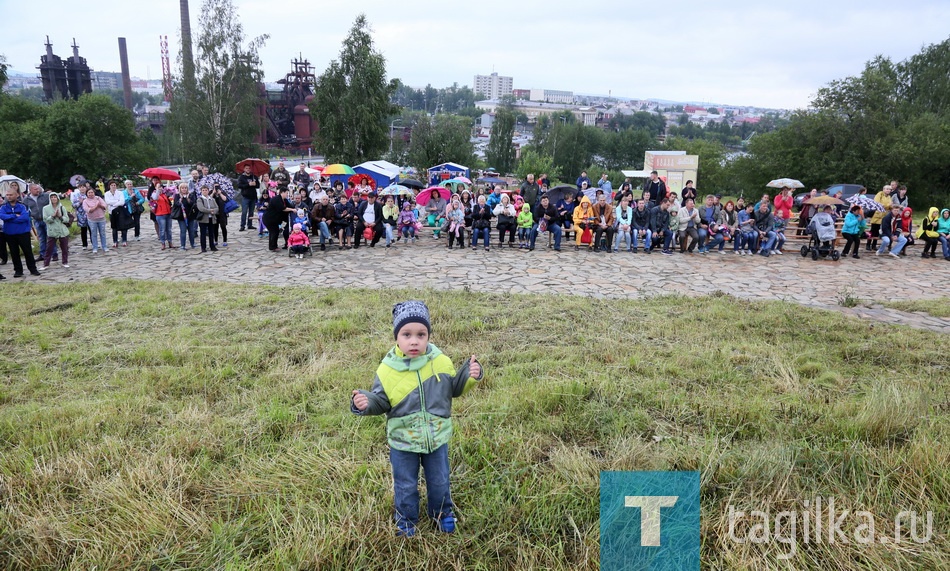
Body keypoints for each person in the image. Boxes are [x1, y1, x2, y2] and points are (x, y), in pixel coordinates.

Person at [350, 300, 482, 538]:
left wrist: (470, 375)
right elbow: (380, 401)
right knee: (405, 485)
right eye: (406, 334)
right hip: (403, 441)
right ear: (396, 338)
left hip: (436, 437)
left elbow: (454, 388)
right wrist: (365, 402)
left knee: (440, 481)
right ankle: (406, 520)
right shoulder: (387, 370)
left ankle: (442, 513)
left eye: (421, 334)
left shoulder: (440, 361)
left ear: (428, 335)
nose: (414, 341)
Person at [0, 184, 40, 277]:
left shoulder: (22, 206)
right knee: (14, 253)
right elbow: (2, 216)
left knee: (28, 252)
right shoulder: (3, 207)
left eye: (11, 195)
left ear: (16, 195)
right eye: (7, 195)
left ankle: (33, 269)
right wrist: (14, 216)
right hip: (9, 233)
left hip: (23, 232)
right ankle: (18, 270)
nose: (9, 197)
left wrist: (10, 218)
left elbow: (24, 217)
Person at [24, 183, 57, 261]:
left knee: (50, 237)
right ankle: (42, 254)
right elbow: (25, 210)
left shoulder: (45, 196)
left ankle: (54, 254)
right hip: (36, 220)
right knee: (41, 238)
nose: (38, 190)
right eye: (35, 189)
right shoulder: (26, 199)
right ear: (30, 190)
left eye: (38, 188)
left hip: (47, 219)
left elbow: (52, 204)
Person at [40, 192, 70, 270]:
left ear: (57, 198)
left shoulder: (61, 207)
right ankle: (46, 264)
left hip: (62, 230)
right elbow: (45, 219)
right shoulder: (45, 208)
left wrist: (60, 216)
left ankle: (65, 262)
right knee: (49, 248)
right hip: (52, 230)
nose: (53, 199)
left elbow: (67, 219)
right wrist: (52, 216)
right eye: (52, 197)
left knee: (64, 247)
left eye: (55, 197)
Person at [82, 187, 109, 254]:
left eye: (92, 192)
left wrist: (99, 205)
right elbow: (88, 210)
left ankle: (104, 246)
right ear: (87, 194)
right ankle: (95, 247)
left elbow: (104, 206)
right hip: (92, 220)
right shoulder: (85, 201)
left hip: (101, 218)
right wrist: (96, 206)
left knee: (102, 233)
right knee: (93, 234)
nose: (90, 194)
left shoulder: (98, 198)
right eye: (89, 193)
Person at [104, 181, 130, 248]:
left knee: (123, 226)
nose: (113, 186)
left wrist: (114, 204)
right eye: (112, 185)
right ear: (109, 186)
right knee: (114, 227)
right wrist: (117, 201)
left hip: (120, 211)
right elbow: (107, 201)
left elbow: (122, 202)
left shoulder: (120, 193)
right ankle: (115, 241)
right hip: (111, 212)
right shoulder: (107, 193)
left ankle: (124, 240)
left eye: (114, 185)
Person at [867, 184, 892, 250]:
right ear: (883, 189)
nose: (888, 190)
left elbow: (890, 206)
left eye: (889, 189)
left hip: (884, 216)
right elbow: (877, 204)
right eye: (887, 189)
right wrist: (887, 205)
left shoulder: (889, 197)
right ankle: (868, 244)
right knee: (872, 230)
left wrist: (888, 206)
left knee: (878, 231)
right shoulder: (879, 194)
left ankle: (874, 245)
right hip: (877, 215)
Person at [195, 185, 219, 253]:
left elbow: (217, 207)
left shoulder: (212, 199)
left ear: (208, 191)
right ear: (201, 191)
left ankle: (212, 246)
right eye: (203, 190)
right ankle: (203, 247)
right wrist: (210, 211)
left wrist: (213, 211)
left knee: (211, 233)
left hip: (211, 218)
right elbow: (201, 208)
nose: (205, 191)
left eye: (206, 190)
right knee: (203, 233)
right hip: (203, 219)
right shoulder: (200, 199)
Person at [170, 184, 194, 250]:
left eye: (185, 188)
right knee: (183, 231)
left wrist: (188, 200)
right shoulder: (177, 196)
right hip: (181, 216)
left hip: (190, 216)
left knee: (191, 231)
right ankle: (182, 245)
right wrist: (180, 201)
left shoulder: (191, 195)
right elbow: (176, 204)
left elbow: (193, 203)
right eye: (182, 188)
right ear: (180, 189)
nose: (184, 189)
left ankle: (193, 244)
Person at [237, 164, 259, 231]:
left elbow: (258, 185)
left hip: (253, 196)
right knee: (244, 212)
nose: (248, 169)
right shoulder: (242, 177)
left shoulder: (254, 176)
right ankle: (242, 225)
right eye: (246, 168)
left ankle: (250, 225)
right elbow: (239, 185)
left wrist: (255, 184)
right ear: (244, 169)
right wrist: (248, 184)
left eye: (249, 168)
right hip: (245, 196)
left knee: (251, 212)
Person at [153, 184, 173, 250]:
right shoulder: (154, 194)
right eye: (158, 187)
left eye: (161, 187)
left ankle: (170, 242)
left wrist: (169, 189)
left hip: (168, 213)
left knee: (169, 229)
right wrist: (158, 191)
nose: (160, 188)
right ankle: (163, 243)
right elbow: (155, 198)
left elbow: (172, 195)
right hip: (160, 214)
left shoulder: (165, 194)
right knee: (162, 230)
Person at [70, 184, 89, 250]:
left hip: (89, 214)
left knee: (92, 229)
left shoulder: (89, 193)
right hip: (81, 215)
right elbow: (73, 205)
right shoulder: (76, 195)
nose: (82, 188)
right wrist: (80, 202)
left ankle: (94, 243)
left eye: (83, 187)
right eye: (80, 187)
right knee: (83, 230)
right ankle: (84, 244)